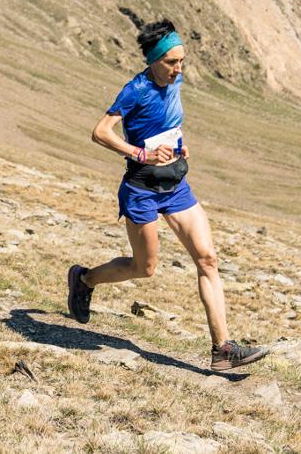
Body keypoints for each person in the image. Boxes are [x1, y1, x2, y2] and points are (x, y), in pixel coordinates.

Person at [67, 19, 269, 372]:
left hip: (175, 185)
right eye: (172, 62)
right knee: (143, 268)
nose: (179, 69)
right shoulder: (136, 90)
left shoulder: (175, 83)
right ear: (154, 61)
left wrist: (179, 145)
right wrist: (140, 154)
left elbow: (167, 122)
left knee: (207, 259)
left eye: (182, 61)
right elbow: (100, 132)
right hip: (142, 189)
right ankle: (84, 279)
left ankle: (222, 349)